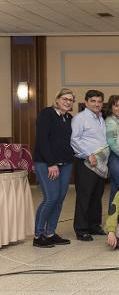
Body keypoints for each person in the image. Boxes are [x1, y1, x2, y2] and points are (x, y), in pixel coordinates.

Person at [33, 88, 75, 248]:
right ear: (57, 99)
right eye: (64, 98)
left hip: (66, 163)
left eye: (70, 100)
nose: (67, 102)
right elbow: (42, 140)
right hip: (46, 163)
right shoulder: (46, 114)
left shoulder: (69, 118)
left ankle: (50, 233)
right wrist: (51, 163)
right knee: (50, 198)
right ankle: (38, 235)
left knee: (60, 198)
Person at [71, 89, 108, 242]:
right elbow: (75, 140)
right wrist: (88, 154)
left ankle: (94, 225)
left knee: (97, 195)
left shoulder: (100, 118)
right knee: (84, 196)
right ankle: (81, 229)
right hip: (86, 162)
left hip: (100, 164)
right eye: (93, 101)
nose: (96, 104)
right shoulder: (80, 118)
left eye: (99, 101)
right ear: (86, 102)